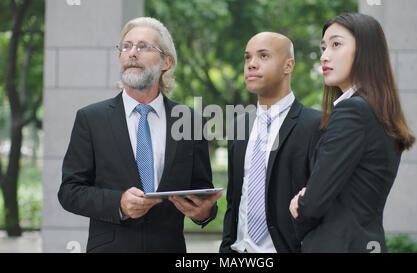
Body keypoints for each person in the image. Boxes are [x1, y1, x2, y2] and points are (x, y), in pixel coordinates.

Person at [58, 17, 221, 253]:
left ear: (166, 62)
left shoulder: (191, 121)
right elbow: (69, 191)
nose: (132, 53)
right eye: (126, 46)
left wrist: (204, 213)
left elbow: (201, 189)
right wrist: (119, 203)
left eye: (143, 46)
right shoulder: (91, 119)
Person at [289, 13, 416, 253]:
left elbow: (314, 202)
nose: (325, 56)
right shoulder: (377, 111)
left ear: (366, 51)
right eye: (324, 47)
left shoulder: (353, 111)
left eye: (336, 44)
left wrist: (301, 204)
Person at [219, 32, 322, 253]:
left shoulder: (316, 125)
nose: (251, 64)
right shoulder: (239, 125)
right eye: (247, 57)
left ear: (288, 65)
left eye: (263, 56)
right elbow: (234, 201)